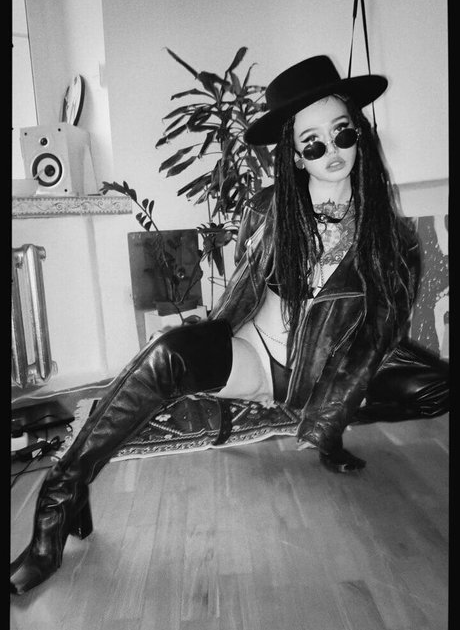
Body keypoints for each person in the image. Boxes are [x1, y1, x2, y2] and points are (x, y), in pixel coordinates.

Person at [10, 55, 448, 595]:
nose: (332, 151)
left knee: (436, 386)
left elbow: (377, 335)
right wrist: (213, 343)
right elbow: (245, 291)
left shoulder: (393, 238)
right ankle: (60, 498)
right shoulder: (268, 210)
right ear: (294, 154)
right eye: (312, 143)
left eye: (342, 133)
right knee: (169, 353)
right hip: (258, 356)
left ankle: (320, 423)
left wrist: (328, 417)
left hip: (326, 373)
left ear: (359, 134)